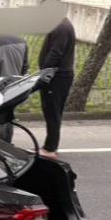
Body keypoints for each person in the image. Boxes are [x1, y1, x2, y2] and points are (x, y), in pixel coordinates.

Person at [38, 12, 77, 159]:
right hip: (58, 75)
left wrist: (44, 73)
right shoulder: (62, 25)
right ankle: (50, 146)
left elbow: (56, 52)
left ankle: (50, 149)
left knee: (52, 112)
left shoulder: (60, 27)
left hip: (57, 77)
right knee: (53, 112)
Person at [0, 34, 30, 141]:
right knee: (8, 116)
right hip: (16, 86)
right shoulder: (22, 41)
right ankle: (7, 144)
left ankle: (1, 145)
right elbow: (25, 67)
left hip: (0, 87)